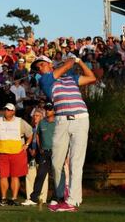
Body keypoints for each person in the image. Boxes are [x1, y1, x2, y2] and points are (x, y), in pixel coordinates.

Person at [31, 55, 96, 212]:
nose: (39, 68)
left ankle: (73, 201)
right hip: (61, 120)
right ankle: (60, 196)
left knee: (76, 161)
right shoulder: (44, 80)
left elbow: (91, 77)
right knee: (56, 161)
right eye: (37, 68)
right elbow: (66, 66)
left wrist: (80, 61)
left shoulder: (70, 78)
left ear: (49, 64)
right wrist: (72, 60)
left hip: (81, 118)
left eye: (41, 65)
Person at [0, 103, 33, 206]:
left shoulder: (20, 121)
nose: (7, 111)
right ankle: (4, 198)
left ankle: (14, 198)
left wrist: (26, 145)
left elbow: (30, 133)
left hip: (17, 153)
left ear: (13, 111)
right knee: (3, 176)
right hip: (2, 153)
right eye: (5, 109)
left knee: (15, 176)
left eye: (9, 110)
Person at [22, 103, 54, 206]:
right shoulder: (41, 123)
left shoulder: (58, 122)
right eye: (46, 109)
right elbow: (37, 136)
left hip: (55, 152)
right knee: (40, 175)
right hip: (43, 152)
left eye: (50, 109)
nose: (48, 111)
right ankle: (33, 198)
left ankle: (57, 198)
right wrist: (40, 148)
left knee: (57, 176)